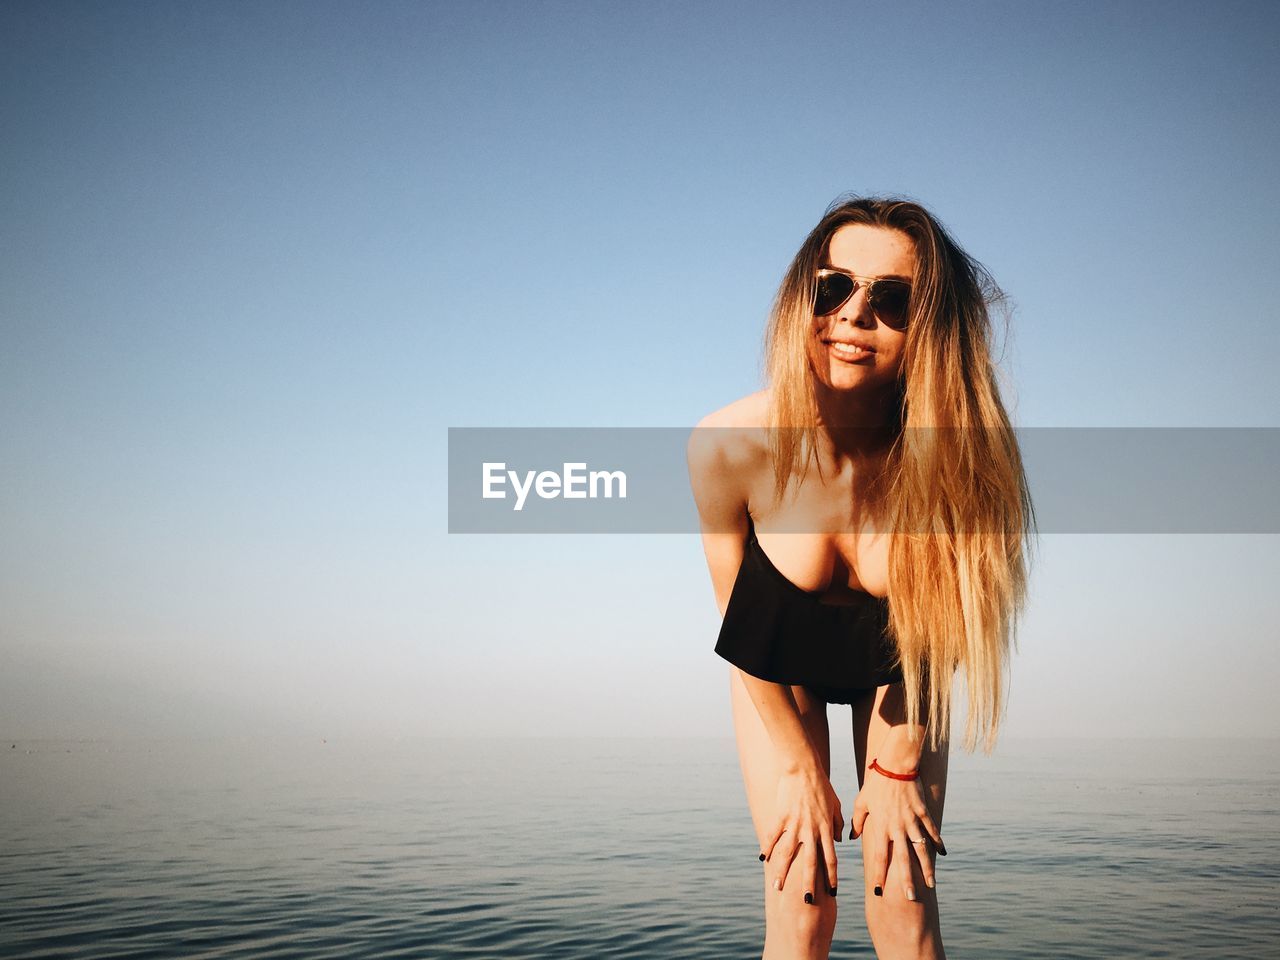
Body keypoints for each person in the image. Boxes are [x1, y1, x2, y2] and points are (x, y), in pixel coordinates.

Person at [686, 195, 1035, 959]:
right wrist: (801, 766)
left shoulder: (966, 455)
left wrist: (893, 763)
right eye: (832, 286)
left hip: (907, 662)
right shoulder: (727, 446)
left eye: (892, 299)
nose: (852, 316)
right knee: (800, 900)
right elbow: (739, 623)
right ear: (801, 295)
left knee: (901, 900)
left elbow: (951, 623)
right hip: (776, 663)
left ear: (932, 327)